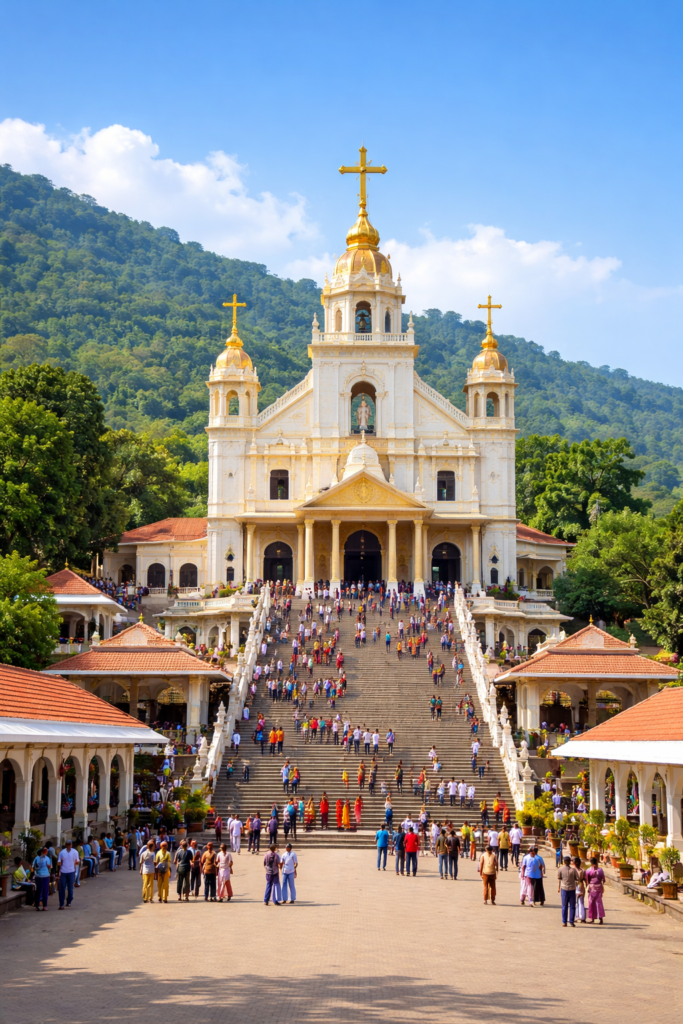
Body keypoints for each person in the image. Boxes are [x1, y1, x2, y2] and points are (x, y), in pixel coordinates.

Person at [557, 855, 580, 927]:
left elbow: (559, 878)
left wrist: (559, 887)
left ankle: (564, 922)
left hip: (564, 889)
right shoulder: (573, 870)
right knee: (572, 906)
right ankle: (571, 921)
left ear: (564, 861)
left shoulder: (560, 869)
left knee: (564, 906)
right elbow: (577, 878)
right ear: (570, 862)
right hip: (572, 889)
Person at [57, 840, 79, 910]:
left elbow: (77, 861)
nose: (69, 846)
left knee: (70, 888)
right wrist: (58, 872)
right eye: (68, 844)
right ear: (66, 845)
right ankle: (61, 904)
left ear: (71, 845)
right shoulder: (62, 852)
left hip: (71, 872)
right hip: (63, 872)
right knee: (62, 888)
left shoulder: (75, 852)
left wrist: (76, 862)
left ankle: (69, 900)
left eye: (70, 844)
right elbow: (59, 862)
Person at [585, 856, 606, 924]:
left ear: (591, 863)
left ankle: (592, 918)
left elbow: (587, 880)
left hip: (592, 888)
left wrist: (588, 886)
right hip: (598, 888)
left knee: (591, 903)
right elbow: (604, 880)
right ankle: (601, 918)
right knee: (599, 903)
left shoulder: (588, 870)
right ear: (596, 862)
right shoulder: (600, 870)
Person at [139, 839, 156, 904]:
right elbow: (154, 862)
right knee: (150, 885)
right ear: (151, 847)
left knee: (145, 884)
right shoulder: (153, 854)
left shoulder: (143, 853)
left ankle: (144, 898)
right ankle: (150, 898)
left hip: (145, 871)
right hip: (151, 870)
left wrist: (141, 869)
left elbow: (141, 862)